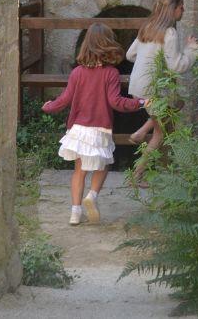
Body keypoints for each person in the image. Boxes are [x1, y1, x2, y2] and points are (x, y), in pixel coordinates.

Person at [42, 23, 148, 225]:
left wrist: (48, 107)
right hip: (100, 129)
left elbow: (64, 99)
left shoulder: (77, 73)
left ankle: (75, 212)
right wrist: (141, 102)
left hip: (79, 130)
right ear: (109, 45)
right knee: (104, 165)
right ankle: (92, 196)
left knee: (79, 171)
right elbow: (117, 103)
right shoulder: (111, 74)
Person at [126, 0, 198, 186]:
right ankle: (136, 176)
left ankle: (140, 132)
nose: (183, 10)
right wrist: (192, 49)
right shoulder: (169, 32)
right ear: (173, 9)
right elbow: (176, 65)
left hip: (137, 87)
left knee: (176, 104)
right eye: (181, 7)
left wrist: (147, 60)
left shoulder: (147, 27)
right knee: (160, 133)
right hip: (152, 89)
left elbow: (130, 55)